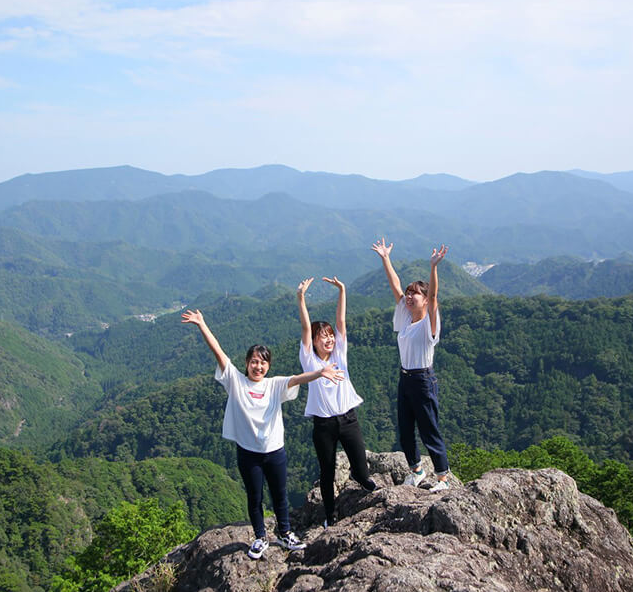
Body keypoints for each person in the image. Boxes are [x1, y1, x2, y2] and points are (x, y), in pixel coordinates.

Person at [181, 308, 343, 559]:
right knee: (254, 497)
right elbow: (219, 353)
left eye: (263, 362)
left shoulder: (273, 384)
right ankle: (259, 537)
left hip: (274, 451)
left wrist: (320, 372)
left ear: (268, 365)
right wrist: (202, 324)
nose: (258, 366)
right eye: (254, 361)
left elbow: (298, 379)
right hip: (248, 453)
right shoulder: (235, 381)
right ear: (247, 363)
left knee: (280, 495)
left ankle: (285, 533)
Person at [371, 238, 452, 492]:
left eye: (414, 293)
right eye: (409, 293)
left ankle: (443, 478)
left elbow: (435, 295)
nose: (408, 296)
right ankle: (416, 470)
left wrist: (433, 267)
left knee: (429, 430)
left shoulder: (429, 323)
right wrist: (385, 258)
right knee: (405, 430)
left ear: (425, 299)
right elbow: (395, 286)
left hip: (423, 380)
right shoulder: (406, 318)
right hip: (405, 378)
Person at [297, 276, 377, 529]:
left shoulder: (340, 355)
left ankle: (360, 477)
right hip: (323, 425)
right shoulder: (310, 361)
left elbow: (341, 321)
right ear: (315, 341)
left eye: (331, 335)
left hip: (349, 419)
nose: (330, 339)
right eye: (324, 336)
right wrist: (300, 298)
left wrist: (343, 290)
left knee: (363, 473)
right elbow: (305, 329)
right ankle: (329, 514)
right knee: (327, 471)